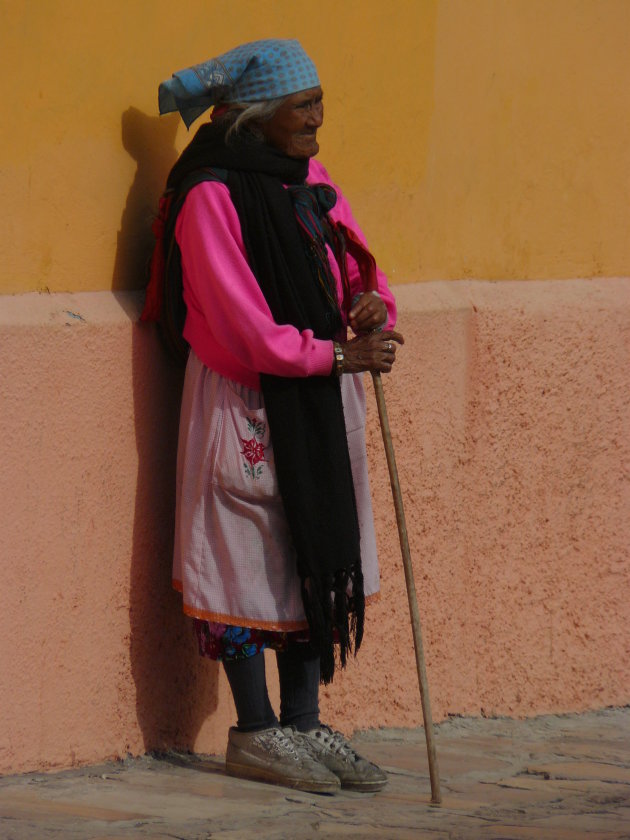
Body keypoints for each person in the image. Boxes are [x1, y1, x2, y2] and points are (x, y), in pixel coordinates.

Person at [147, 39, 404, 794]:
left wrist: (369, 307)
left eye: (320, 101)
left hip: (321, 387)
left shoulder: (310, 182)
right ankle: (255, 730)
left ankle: (303, 722)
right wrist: (332, 357)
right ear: (257, 116)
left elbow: (360, 267)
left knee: (309, 544)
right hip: (247, 396)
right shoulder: (210, 195)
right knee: (244, 554)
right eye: (304, 105)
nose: (319, 120)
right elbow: (235, 322)